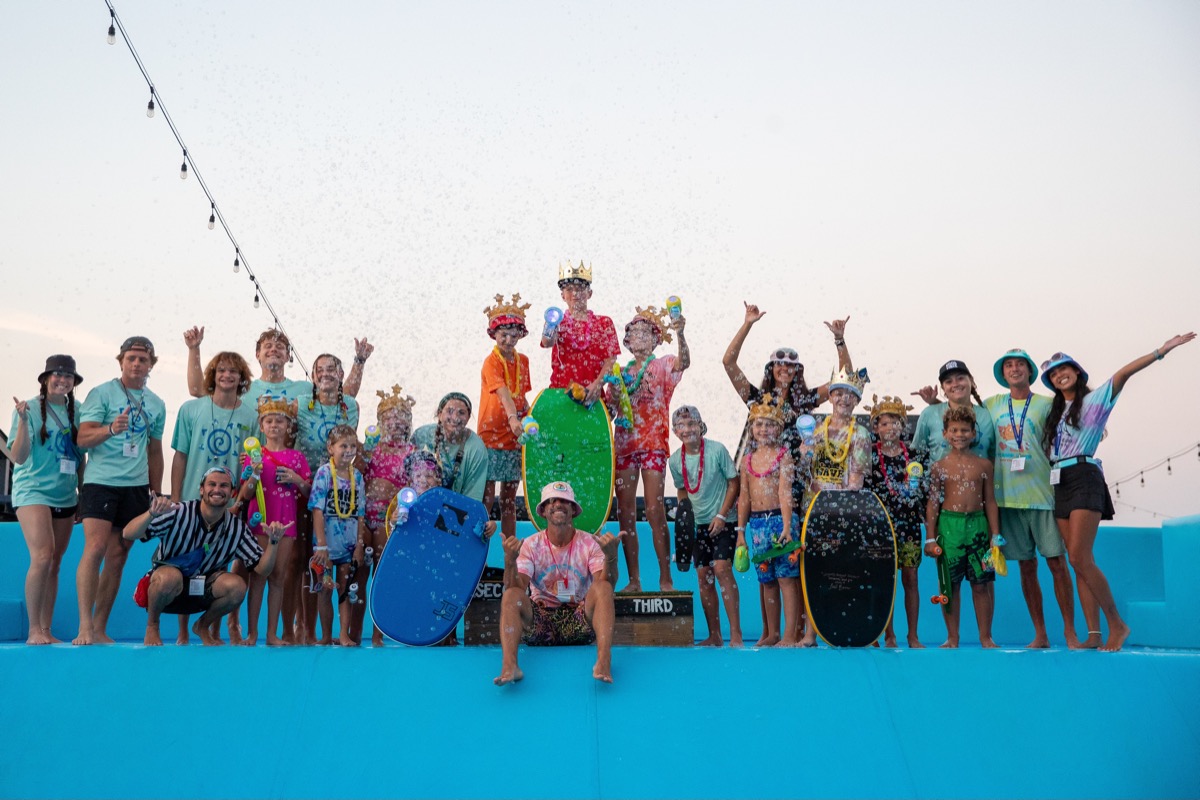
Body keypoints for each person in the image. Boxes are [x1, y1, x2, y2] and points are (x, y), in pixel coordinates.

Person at [1040, 333, 1195, 652]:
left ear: (1077, 372)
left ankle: (1117, 624)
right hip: (1060, 481)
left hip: (1084, 476)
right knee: (1076, 561)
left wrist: (1160, 351)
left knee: (1080, 557)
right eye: (1053, 373)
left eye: (1063, 369)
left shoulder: (1095, 400)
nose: (1059, 375)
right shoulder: (1055, 413)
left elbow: (1123, 374)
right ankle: (1093, 635)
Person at [983, 349, 1080, 649]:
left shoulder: (1048, 403)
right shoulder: (991, 404)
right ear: (1003, 373)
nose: (1014, 369)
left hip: (1043, 496)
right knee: (1026, 567)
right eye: (1009, 365)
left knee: (1056, 563)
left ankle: (1069, 631)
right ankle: (1040, 633)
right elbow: (963, 418)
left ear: (1029, 371)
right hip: (1007, 500)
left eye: (1020, 364)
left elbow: (1072, 428)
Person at [124, 467, 286, 646]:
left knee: (237, 586)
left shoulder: (236, 529)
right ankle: (152, 627)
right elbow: (128, 533)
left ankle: (202, 625)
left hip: (203, 592)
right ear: (201, 489)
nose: (217, 489)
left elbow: (262, 569)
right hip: (168, 590)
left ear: (232, 493)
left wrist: (273, 542)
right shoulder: (178, 512)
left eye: (224, 485)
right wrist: (150, 514)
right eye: (212, 484)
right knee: (169, 577)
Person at [74, 336, 167, 645]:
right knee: (96, 548)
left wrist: (157, 491)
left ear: (151, 364)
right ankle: (84, 626)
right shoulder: (102, 393)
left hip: (136, 487)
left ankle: (99, 628)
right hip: (101, 483)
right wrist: (111, 429)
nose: (137, 363)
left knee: (118, 555)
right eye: (131, 358)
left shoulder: (156, 403)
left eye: (143, 359)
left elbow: (154, 451)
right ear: (121, 361)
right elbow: (83, 438)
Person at [170, 351, 259, 644]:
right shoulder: (190, 409)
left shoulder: (250, 416)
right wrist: (175, 498)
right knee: (183, 565)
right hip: (191, 503)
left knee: (218, 567)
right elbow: (180, 456)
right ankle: (183, 633)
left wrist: (240, 500)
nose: (227, 376)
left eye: (234, 372)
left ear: (242, 378)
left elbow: (251, 465)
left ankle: (211, 628)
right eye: (222, 370)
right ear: (213, 374)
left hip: (228, 504)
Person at [494, 481, 622, 685]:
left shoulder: (590, 542)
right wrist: (509, 561)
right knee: (511, 595)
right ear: (543, 511)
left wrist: (611, 558)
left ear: (573, 510)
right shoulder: (531, 544)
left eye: (564, 501)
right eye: (552, 501)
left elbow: (606, 586)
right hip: (540, 622)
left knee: (603, 588)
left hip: (579, 620)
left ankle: (604, 661)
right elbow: (515, 588)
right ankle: (510, 666)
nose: (558, 504)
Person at [608, 305, 689, 593]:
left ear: (656, 340)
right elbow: (609, 409)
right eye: (633, 332)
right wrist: (613, 395)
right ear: (627, 342)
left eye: (645, 332)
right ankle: (633, 580)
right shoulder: (617, 372)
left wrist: (680, 333)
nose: (638, 336)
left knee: (654, 509)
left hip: (653, 443)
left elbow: (684, 362)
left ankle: (665, 577)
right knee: (626, 513)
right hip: (625, 446)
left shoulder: (663, 364)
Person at [9, 355, 85, 644]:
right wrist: (24, 421)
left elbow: (81, 456)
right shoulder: (27, 409)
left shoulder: (77, 411)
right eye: (57, 375)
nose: (62, 380)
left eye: (68, 377)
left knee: (55, 561)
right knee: (42, 555)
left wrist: (82, 493)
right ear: (45, 378)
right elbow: (18, 457)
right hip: (33, 490)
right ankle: (33, 631)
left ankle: (46, 628)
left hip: (66, 493)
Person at [924, 405, 1001, 648]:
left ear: (974, 433)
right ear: (945, 433)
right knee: (950, 584)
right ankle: (952, 637)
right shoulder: (939, 467)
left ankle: (986, 637)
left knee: (981, 585)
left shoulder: (985, 465)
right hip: (949, 528)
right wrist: (930, 538)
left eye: (965, 430)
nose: (960, 434)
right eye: (954, 430)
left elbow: (990, 501)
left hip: (978, 528)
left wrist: (995, 535)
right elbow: (933, 503)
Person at [237, 396, 311, 645]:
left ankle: (271, 633)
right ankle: (252, 633)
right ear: (261, 425)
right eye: (269, 420)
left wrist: (296, 478)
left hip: (286, 523)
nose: (274, 425)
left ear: (288, 426)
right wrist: (253, 476)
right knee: (257, 576)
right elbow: (245, 494)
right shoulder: (254, 457)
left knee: (278, 577)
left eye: (280, 420)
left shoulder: (297, 458)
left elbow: (309, 494)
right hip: (259, 521)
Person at [668, 406, 740, 646]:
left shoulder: (717, 450)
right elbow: (681, 488)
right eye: (681, 426)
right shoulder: (674, 460)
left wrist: (722, 515)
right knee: (703, 576)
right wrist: (684, 517)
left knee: (721, 569)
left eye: (691, 424)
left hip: (724, 521)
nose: (687, 429)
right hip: (698, 526)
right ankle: (715, 636)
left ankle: (736, 635)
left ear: (700, 426)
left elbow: (734, 483)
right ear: (675, 431)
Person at [735, 396, 802, 647]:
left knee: (787, 577)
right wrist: (741, 531)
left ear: (780, 428)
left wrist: (786, 526)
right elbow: (744, 497)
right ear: (752, 428)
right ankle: (773, 633)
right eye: (759, 424)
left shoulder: (784, 456)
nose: (764, 429)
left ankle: (789, 635)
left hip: (780, 520)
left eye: (770, 424)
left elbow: (785, 492)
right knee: (767, 579)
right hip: (758, 524)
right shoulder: (747, 459)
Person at [863, 394, 925, 648]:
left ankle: (913, 635)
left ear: (903, 425)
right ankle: (887, 634)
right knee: (883, 580)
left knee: (910, 578)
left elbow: (924, 493)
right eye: (884, 423)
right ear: (875, 428)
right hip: (880, 527)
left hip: (909, 525)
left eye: (895, 422)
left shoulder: (915, 456)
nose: (890, 428)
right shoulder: (868, 456)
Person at [358, 385, 417, 645]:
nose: (394, 423)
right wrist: (363, 453)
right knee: (357, 573)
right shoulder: (371, 448)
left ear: (407, 423)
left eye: (400, 418)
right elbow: (355, 472)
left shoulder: (411, 452)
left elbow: (417, 486)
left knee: (381, 575)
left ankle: (378, 633)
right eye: (389, 419)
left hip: (389, 519)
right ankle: (351, 633)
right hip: (362, 516)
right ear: (380, 422)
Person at [184, 326, 374, 404]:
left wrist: (360, 361)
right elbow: (197, 390)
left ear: (287, 357)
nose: (273, 350)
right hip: (251, 474)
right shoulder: (242, 388)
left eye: (280, 347)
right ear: (258, 355)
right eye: (268, 346)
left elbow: (344, 396)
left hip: (289, 476)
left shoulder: (305, 390)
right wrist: (194, 349)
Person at [307, 424, 367, 646]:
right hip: (326, 543)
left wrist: (359, 544)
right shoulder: (324, 473)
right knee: (324, 588)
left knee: (344, 587)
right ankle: (325, 635)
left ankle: (343, 634)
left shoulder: (358, 477)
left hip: (349, 542)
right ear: (331, 448)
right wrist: (321, 545)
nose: (349, 450)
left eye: (353, 446)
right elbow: (317, 509)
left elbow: (361, 514)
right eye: (344, 446)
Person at [479, 294, 532, 538]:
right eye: (503, 334)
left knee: (509, 500)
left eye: (514, 334)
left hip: (515, 437)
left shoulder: (523, 361)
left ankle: (511, 551)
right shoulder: (491, 362)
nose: (509, 339)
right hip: (491, 436)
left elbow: (520, 396)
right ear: (494, 335)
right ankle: (477, 545)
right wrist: (513, 418)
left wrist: (531, 417)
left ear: (521, 335)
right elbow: (503, 393)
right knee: (486, 499)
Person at [540, 261, 620, 405]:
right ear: (562, 295)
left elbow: (611, 360)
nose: (575, 293)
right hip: (560, 394)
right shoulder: (557, 320)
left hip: (592, 396)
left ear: (589, 293)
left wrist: (597, 385)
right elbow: (547, 343)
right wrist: (551, 326)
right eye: (569, 289)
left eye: (580, 288)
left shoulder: (604, 323)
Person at [799, 367, 872, 494]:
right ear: (830, 397)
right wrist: (803, 457)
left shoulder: (860, 434)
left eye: (850, 395)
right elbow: (802, 472)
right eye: (838, 393)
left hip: (842, 504)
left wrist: (837, 500)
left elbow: (856, 482)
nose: (844, 398)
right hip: (812, 503)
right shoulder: (815, 429)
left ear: (857, 400)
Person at [911, 360, 996, 464]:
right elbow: (916, 453)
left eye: (960, 378)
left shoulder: (987, 415)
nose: (955, 384)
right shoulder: (929, 414)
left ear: (971, 381)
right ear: (943, 388)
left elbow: (994, 457)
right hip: (936, 480)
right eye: (948, 381)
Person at [411, 392, 488, 503]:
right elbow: (408, 477)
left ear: (468, 417)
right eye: (449, 411)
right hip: (421, 505)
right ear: (439, 414)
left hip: (456, 510)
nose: (455, 418)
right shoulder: (422, 435)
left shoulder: (477, 449)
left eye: (461, 413)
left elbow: (473, 499)